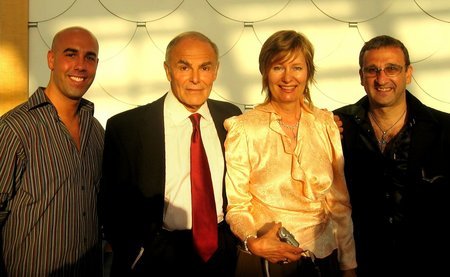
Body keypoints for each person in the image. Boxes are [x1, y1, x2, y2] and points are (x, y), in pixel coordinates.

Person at [99, 31, 242, 276]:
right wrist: (137, 253)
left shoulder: (230, 117)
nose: (196, 78)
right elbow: (112, 203)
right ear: (168, 71)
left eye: (205, 68)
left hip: (221, 253)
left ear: (216, 71)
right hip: (155, 258)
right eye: (184, 67)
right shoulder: (127, 127)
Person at [223, 30, 357, 277]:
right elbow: (237, 205)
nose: (287, 78)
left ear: (308, 72)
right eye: (278, 68)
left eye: (296, 67)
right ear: (265, 71)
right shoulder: (244, 129)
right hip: (267, 263)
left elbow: (339, 204)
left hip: (324, 260)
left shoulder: (325, 124)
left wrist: (348, 265)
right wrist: (253, 241)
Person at [333, 35, 450, 276]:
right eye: (372, 70)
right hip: (358, 266)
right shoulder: (335, 127)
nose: (381, 79)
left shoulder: (445, 129)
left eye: (392, 69)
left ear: (408, 74)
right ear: (361, 77)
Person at [0, 26, 103, 276]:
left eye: (89, 57)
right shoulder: (15, 128)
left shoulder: (96, 130)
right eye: (71, 54)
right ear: (51, 59)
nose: (81, 65)